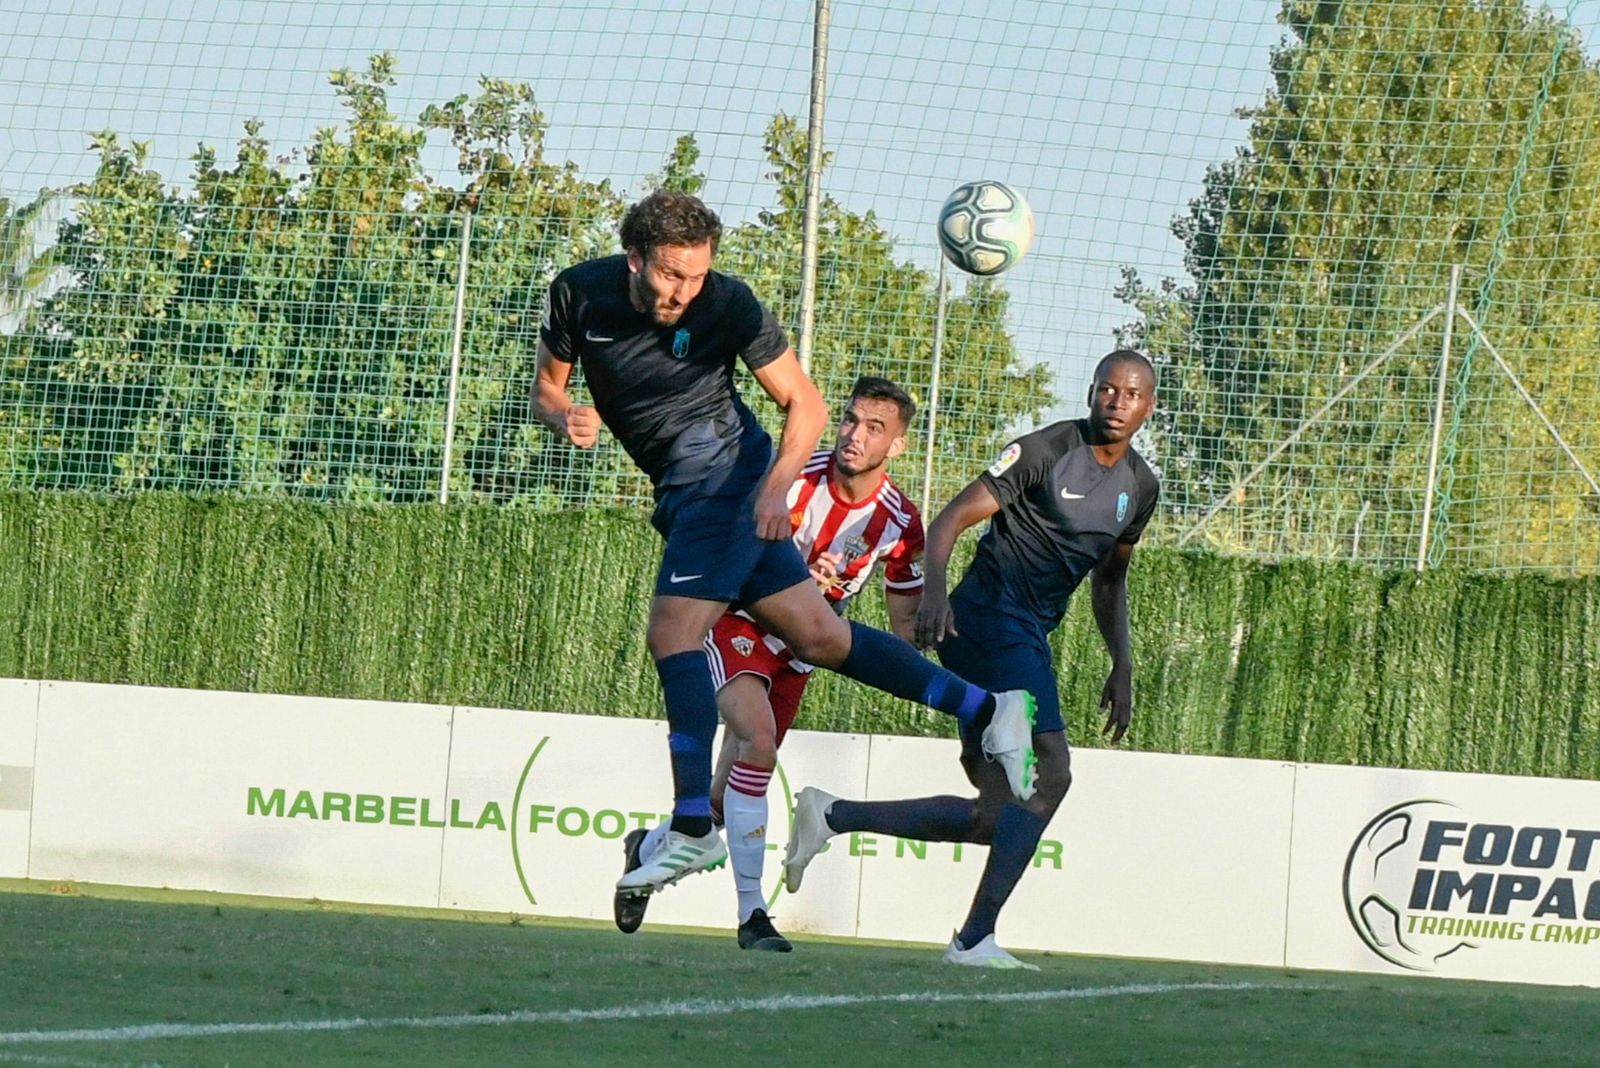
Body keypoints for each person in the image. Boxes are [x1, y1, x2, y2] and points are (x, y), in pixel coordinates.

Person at [529, 190, 1036, 908]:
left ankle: (691, 824)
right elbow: (546, 389)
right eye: (671, 274)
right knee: (821, 636)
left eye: (696, 275)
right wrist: (565, 417)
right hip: (681, 491)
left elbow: (808, 404)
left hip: (725, 481)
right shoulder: (578, 294)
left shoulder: (729, 303)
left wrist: (774, 489)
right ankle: (990, 710)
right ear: (634, 258)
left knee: (673, 633)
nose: (684, 291)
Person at [782, 349, 1160, 970]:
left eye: (1132, 394)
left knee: (995, 816)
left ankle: (830, 814)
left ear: (1148, 406)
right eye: (1108, 390)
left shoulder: (1140, 487)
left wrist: (1122, 662)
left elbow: (1110, 581)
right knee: (1052, 770)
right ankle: (974, 939)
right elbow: (951, 519)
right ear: (1092, 392)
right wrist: (935, 594)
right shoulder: (1046, 449)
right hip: (987, 618)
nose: (1118, 403)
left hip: (1028, 631)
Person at [614, 376, 925, 952]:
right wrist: (797, 576)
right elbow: (735, 540)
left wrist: (933, 652)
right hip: (739, 623)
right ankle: (752, 914)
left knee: (723, 798)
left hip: (798, 655)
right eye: (850, 420)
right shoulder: (794, 477)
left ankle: (647, 849)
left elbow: (906, 623)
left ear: (897, 445)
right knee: (757, 741)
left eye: (874, 428)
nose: (855, 435)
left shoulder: (900, 520)